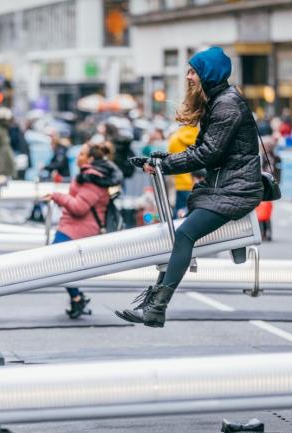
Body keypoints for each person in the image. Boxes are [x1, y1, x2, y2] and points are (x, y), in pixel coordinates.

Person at [116, 46, 263, 328]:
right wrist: (162, 159)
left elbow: (207, 153)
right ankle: (153, 304)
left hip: (236, 189)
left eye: (193, 71)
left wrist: (165, 165)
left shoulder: (226, 105)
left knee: (184, 234)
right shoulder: (219, 101)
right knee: (180, 235)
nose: (188, 76)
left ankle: (157, 308)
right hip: (226, 185)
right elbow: (201, 148)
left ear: (208, 73)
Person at [44, 142, 123, 318]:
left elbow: (79, 207)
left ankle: (77, 298)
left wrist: (58, 197)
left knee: (56, 263)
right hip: (72, 227)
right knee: (60, 265)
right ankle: (77, 298)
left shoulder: (92, 179)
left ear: (91, 159)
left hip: (77, 230)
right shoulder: (89, 176)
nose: (78, 156)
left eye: (81, 154)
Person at [167, 125, 199, 217]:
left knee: (179, 216)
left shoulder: (175, 138)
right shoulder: (200, 136)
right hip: (198, 182)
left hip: (181, 184)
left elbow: (170, 161)